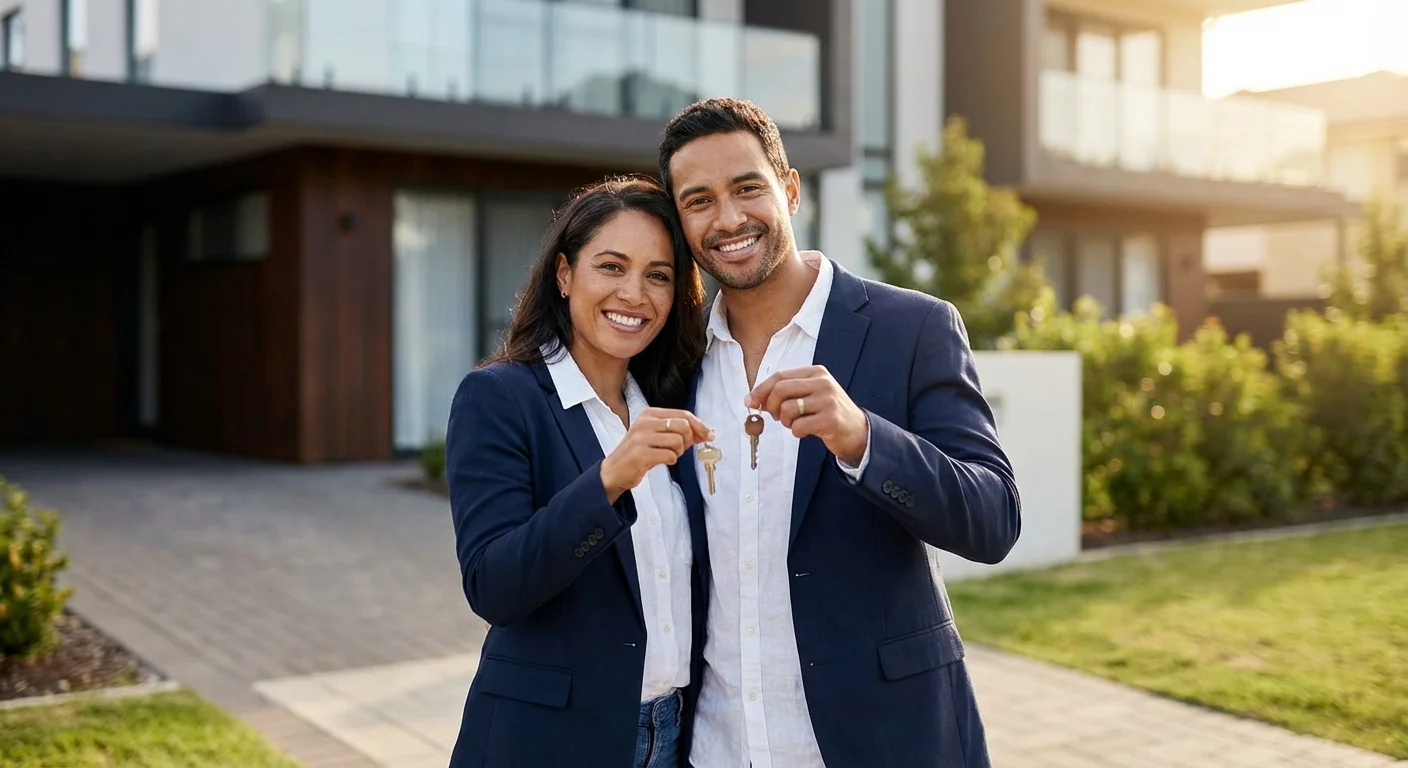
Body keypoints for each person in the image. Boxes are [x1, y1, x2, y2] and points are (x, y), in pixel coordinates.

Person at [659, 98, 1022, 768]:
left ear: (790, 190)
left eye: (747, 189)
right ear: (680, 222)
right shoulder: (674, 363)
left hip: (881, 743)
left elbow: (993, 519)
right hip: (716, 749)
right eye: (699, 200)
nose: (729, 218)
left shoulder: (911, 329)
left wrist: (863, 438)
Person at [443, 175, 715, 768]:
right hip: (550, 740)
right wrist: (608, 479)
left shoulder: (675, 405)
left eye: (658, 275)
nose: (634, 294)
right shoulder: (499, 397)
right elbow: (494, 586)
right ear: (565, 275)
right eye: (611, 267)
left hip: (672, 734)